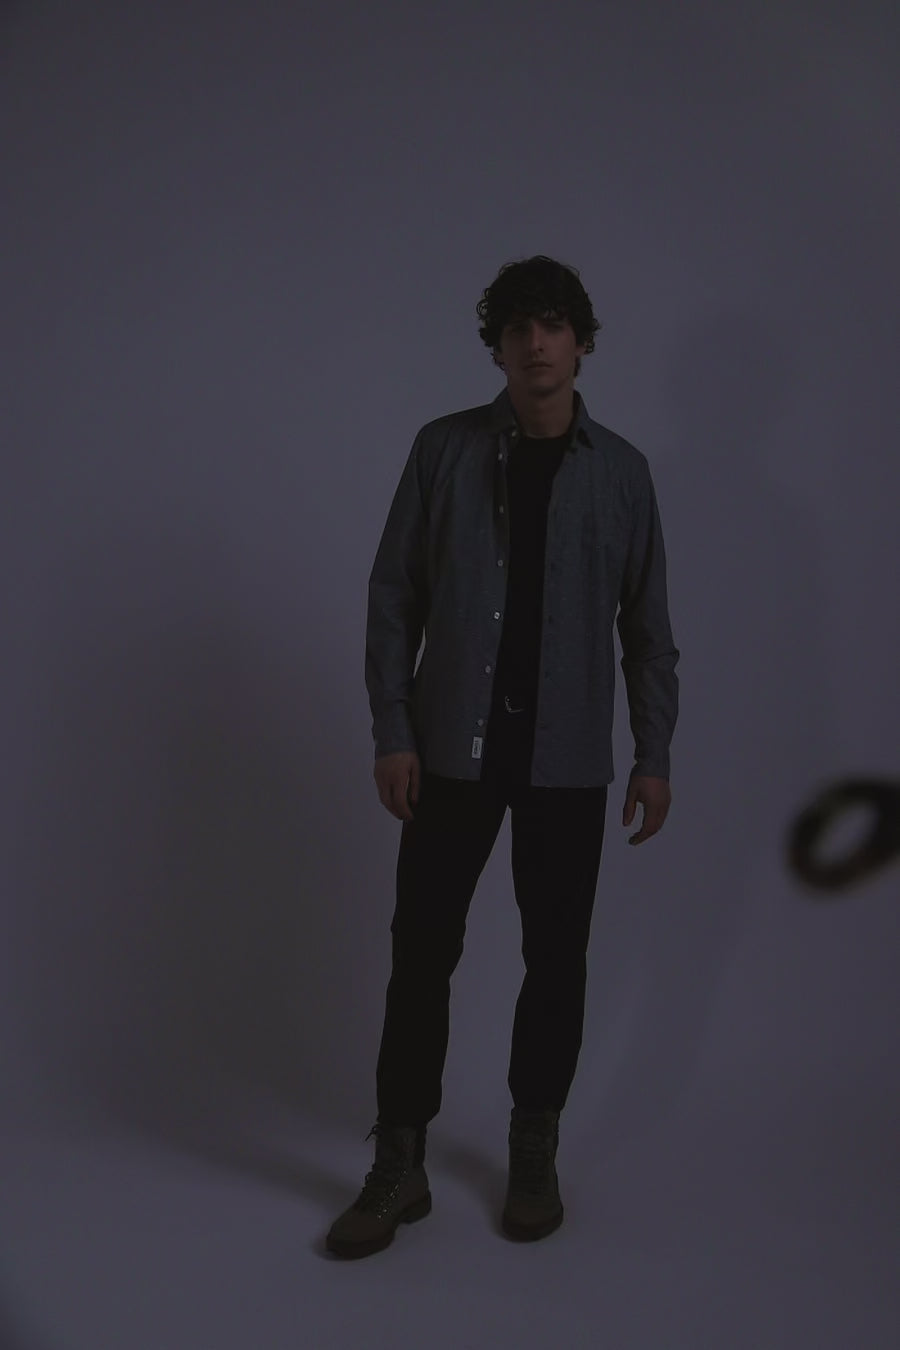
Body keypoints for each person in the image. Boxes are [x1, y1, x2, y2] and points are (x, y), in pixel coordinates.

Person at [326, 255, 679, 1259]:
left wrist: (653, 752)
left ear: (581, 341)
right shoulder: (443, 451)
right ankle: (400, 1160)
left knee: (555, 959)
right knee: (421, 953)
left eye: (553, 324)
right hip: (450, 750)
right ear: (497, 346)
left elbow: (648, 633)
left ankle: (534, 1147)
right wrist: (394, 731)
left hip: (567, 761)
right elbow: (392, 598)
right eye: (518, 327)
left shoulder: (623, 474)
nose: (536, 343)